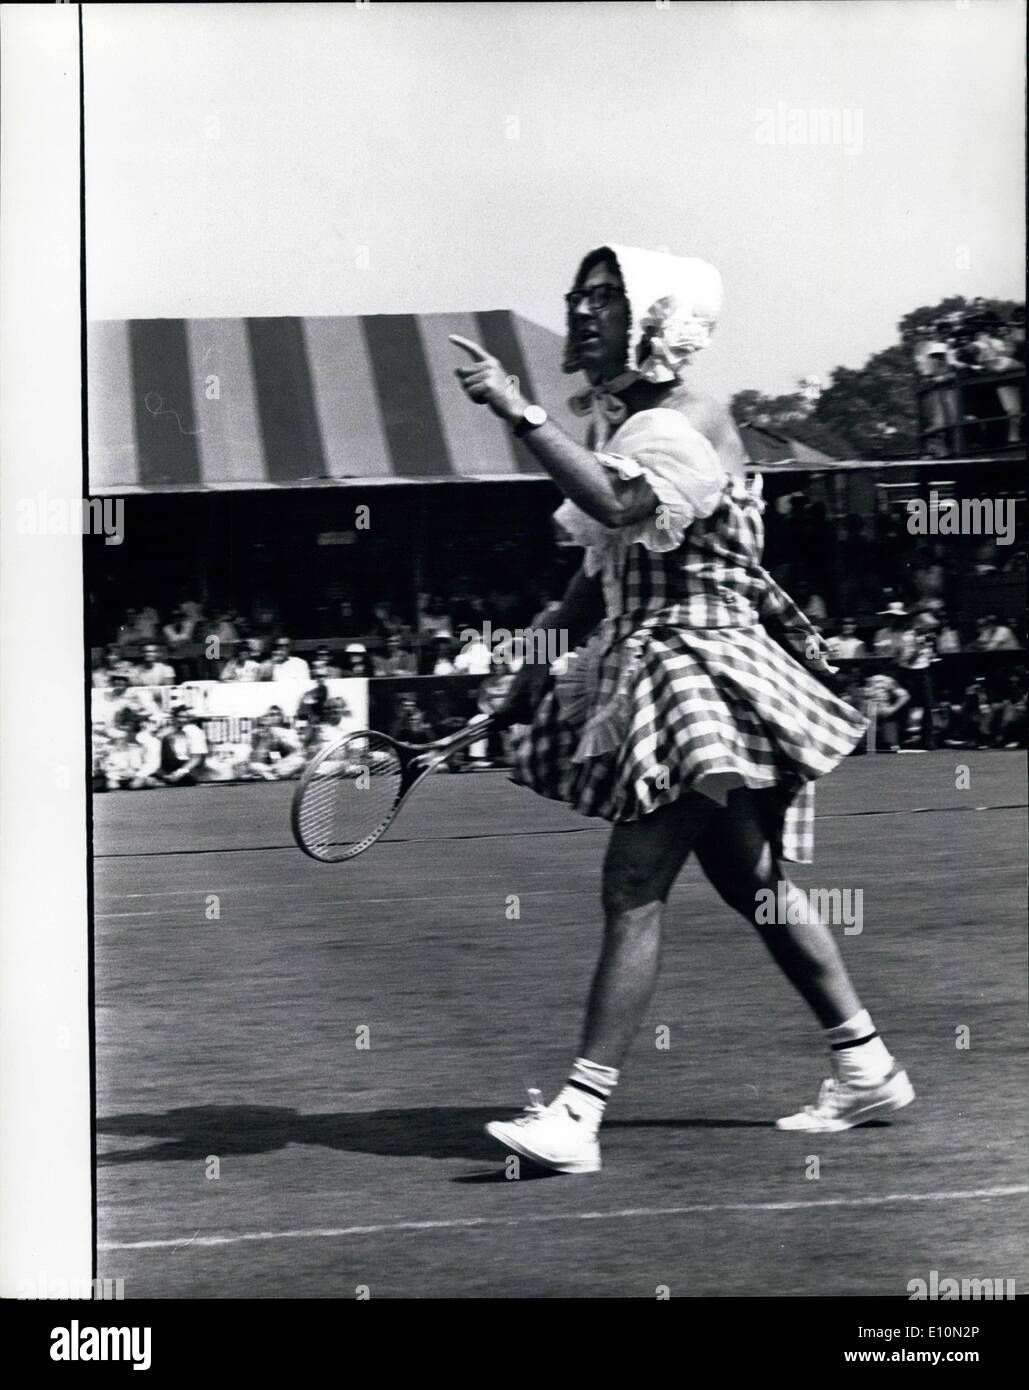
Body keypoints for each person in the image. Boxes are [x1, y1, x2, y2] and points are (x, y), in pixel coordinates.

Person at [451, 243, 911, 1175]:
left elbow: (619, 506)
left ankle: (576, 1117)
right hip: (658, 663)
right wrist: (524, 676)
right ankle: (865, 1065)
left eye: (603, 298)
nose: (580, 312)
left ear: (653, 321)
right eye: (576, 296)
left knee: (633, 884)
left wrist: (521, 413)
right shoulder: (628, 426)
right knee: (753, 882)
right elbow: (593, 587)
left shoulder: (686, 420)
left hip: (700, 668)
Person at [156, 706, 208, 785]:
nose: (181, 720)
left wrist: (180, 773)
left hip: (189, 773)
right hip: (167, 772)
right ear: (174, 718)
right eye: (179, 717)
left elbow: (196, 758)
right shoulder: (167, 731)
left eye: (185, 717)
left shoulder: (194, 732)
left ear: (190, 719)